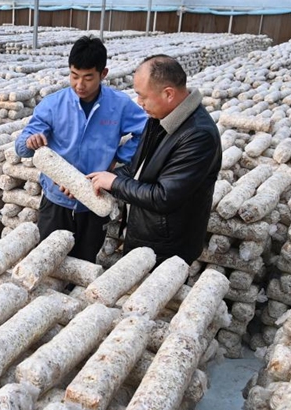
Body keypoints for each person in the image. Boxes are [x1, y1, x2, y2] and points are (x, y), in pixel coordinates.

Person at [14, 35, 147, 263]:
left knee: (85, 260)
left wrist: (119, 157)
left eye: (88, 78)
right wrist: (30, 141)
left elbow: (145, 132)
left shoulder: (119, 105)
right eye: (74, 76)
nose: (79, 85)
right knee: (49, 261)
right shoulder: (53, 104)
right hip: (56, 201)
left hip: (94, 200)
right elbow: (21, 147)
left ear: (103, 74)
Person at [88, 54, 222, 264]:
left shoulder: (198, 135)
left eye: (142, 96)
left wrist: (114, 183)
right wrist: (94, 181)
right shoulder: (159, 117)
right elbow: (136, 169)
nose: (139, 102)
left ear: (168, 94)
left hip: (167, 247)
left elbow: (164, 197)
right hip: (145, 232)